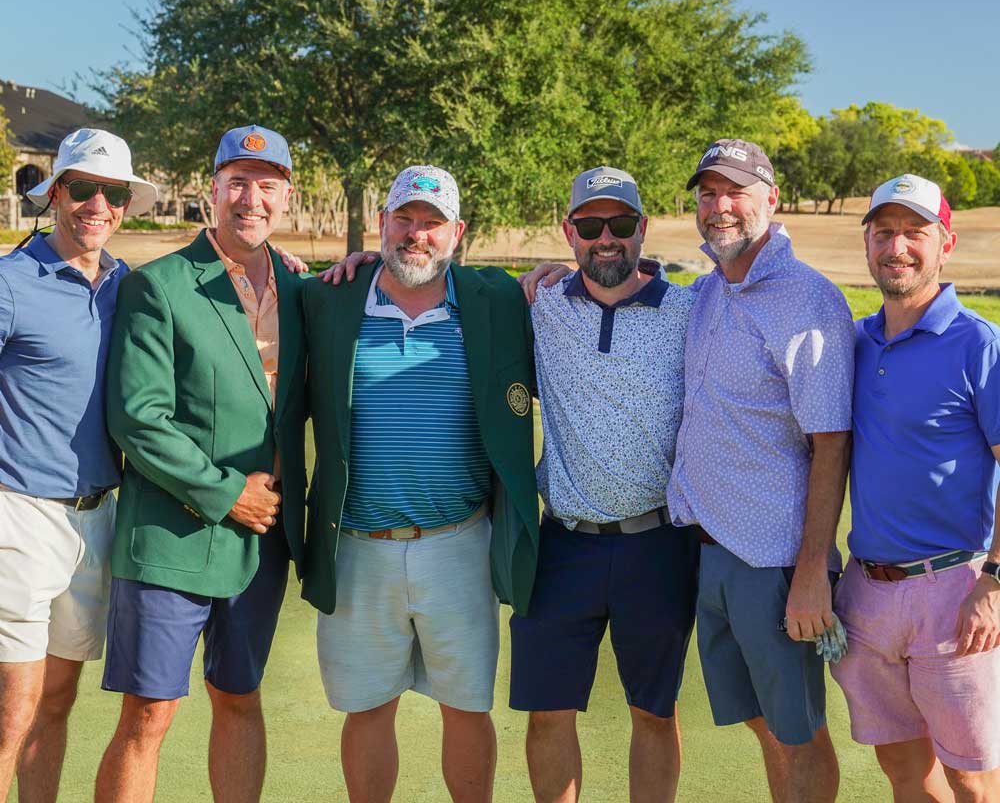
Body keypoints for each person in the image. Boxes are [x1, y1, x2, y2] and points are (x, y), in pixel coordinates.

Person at [301, 165, 539, 803]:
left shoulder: (495, 301)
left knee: (465, 707)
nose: (416, 234)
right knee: (367, 706)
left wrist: (557, 276)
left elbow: (566, 289)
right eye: (404, 219)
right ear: (381, 223)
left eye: (432, 223)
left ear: (456, 233)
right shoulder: (328, 297)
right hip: (358, 544)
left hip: (458, 541)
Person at [95, 124, 308, 803]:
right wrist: (225, 494)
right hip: (171, 534)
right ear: (212, 190)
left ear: (287, 195)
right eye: (238, 182)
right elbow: (137, 417)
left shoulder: (304, 290)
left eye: (267, 183)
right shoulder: (158, 285)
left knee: (239, 698)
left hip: (261, 543)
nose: (252, 197)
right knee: (148, 716)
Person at [665, 139, 854, 803]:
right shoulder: (708, 290)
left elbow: (832, 444)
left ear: (771, 199)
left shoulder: (808, 301)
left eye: (736, 191)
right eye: (708, 193)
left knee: (799, 734)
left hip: (774, 562)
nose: (720, 206)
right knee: (764, 725)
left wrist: (811, 571)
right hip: (712, 553)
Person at [508, 166, 699, 803]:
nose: (606, 238)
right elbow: (433, 278)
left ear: (643, 228)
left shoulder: (688, 312)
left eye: (620, 224)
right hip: (563, 544)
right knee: (549, 710)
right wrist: (366, 260)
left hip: (659, 544)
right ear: (569, 233)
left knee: (654, 710)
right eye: (590, 226)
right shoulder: (541, 309)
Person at [830, 173, 1000, 802]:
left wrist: (996, 580)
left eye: (914, 233)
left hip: (956, 596)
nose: (897, 247)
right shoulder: (855, 340)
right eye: (883, 233)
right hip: (867, 596)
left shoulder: (977, 344)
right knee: (907, 776)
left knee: (974, 782)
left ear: (945, 244)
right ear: (868, 244)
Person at [0, 129, 157, 803]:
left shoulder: (126, 285)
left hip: (97, 518)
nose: (98, 204)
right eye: (84, 188)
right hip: (18, 512)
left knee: (57, 702)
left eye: (113, 192)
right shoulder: (10, 281)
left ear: (124, 204)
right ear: (56, 192)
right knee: (13, 709)